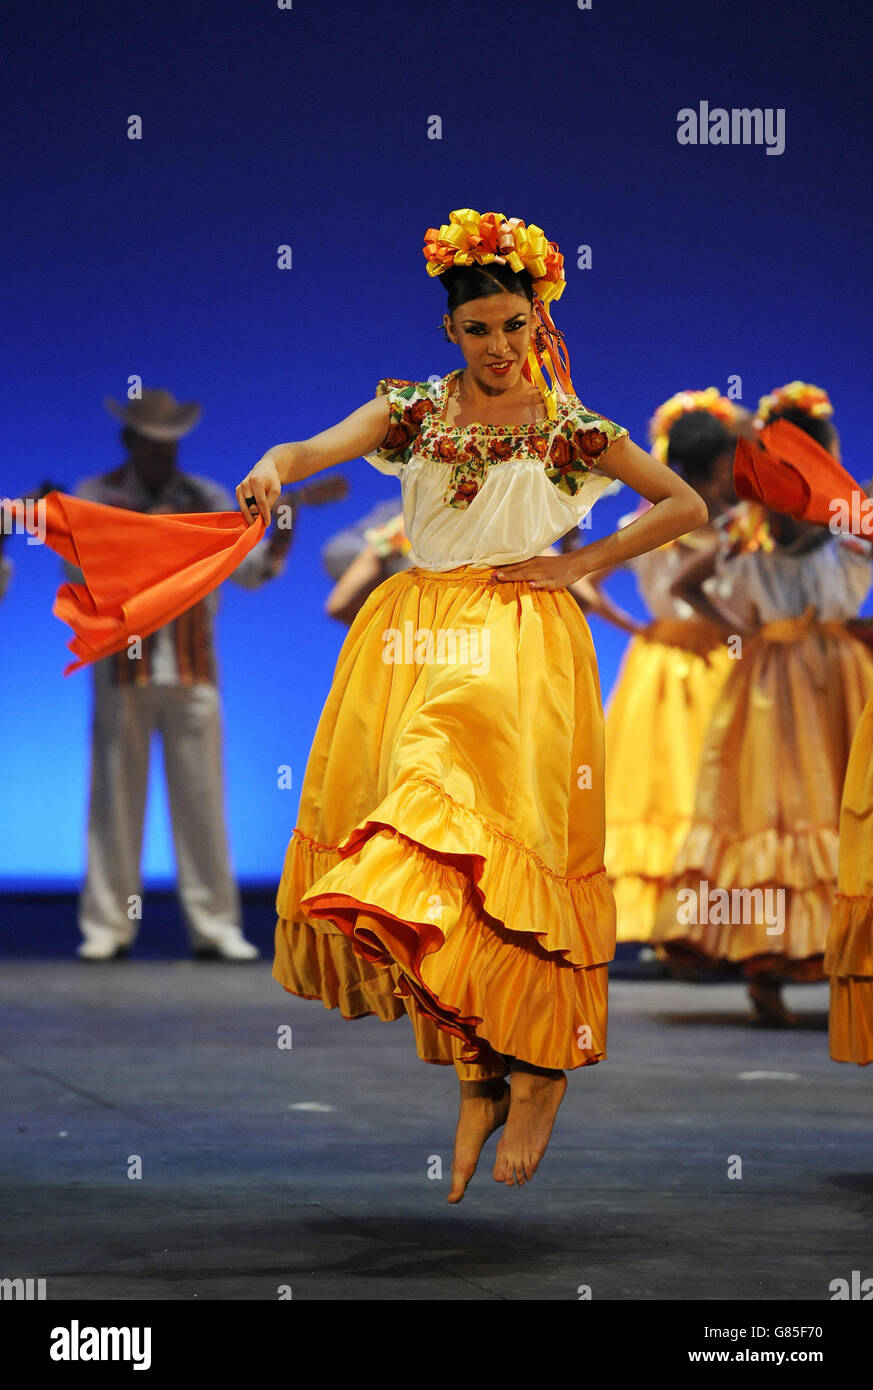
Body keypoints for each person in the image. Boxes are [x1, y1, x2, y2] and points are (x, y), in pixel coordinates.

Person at [234, 208, 707, 1200]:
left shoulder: (573, 430)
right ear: (451, 332)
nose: (498, 347)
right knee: (441, 854)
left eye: (512, 325)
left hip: (521, 642)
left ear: (540, 321)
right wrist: (274, 468)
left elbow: (684, 505)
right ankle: (478, 1069)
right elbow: (308, 447)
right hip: (414, 634)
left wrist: (579, 559)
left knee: (483, 830)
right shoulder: (413, 412)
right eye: (478, 329)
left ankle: (539, 1069)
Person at [651, 382, 873, 1024]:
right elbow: (688, 582)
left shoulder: (846, 528)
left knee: (843, 805)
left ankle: (841, 958)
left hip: (839, 675)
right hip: (776, 687)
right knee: (777, 808)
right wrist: (738, 631)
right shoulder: (747, 536)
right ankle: (769, 964)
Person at [69, 388, 293, 962]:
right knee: (114, 799)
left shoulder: (205, 496)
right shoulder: (98, 495)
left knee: (203, 797)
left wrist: (284, 524)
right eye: (151, 445)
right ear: (129, 441)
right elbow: (87, 568)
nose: (162, 456)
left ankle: (215, 925)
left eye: (170, 446)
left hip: (193, 666)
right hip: (123, 665)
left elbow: (251, 572)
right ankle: (107, 927)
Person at [578, 394, 743, 945]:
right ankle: (698, 920)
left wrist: (636, 629)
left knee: (669, 781)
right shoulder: (732, 528)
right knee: (691, 781)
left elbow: (583, 583)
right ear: (721, 463)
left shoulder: (645, 522)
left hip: (665, 657)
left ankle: (672, 922)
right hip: (717, 655)